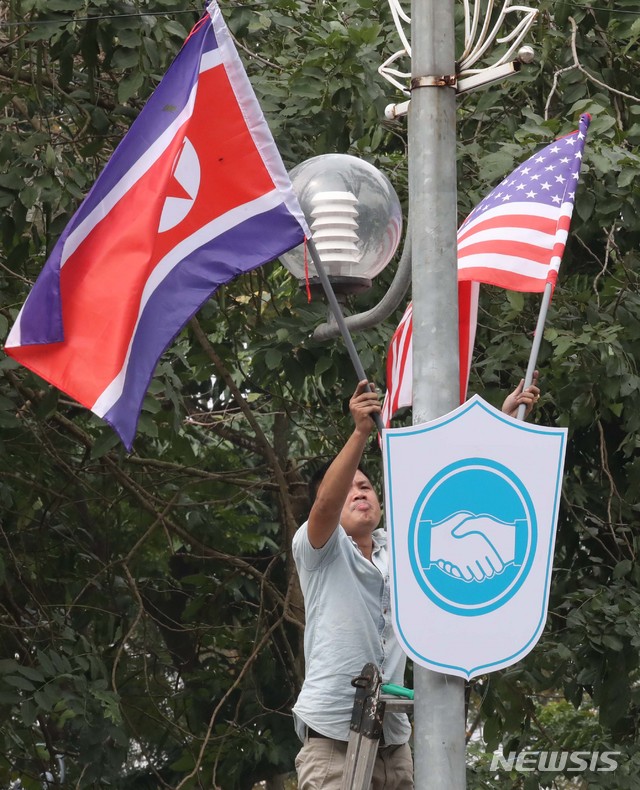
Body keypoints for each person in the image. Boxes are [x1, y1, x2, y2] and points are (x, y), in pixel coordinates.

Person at [292, 376, 541, 789]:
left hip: (395, 745)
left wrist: (506, 419)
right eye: (349, 487)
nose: (360, 492)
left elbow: (457, 499)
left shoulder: (401, 549)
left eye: (367, 485)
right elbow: (324, 505)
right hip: (334, 742)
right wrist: (359, 434)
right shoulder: (318, 548)